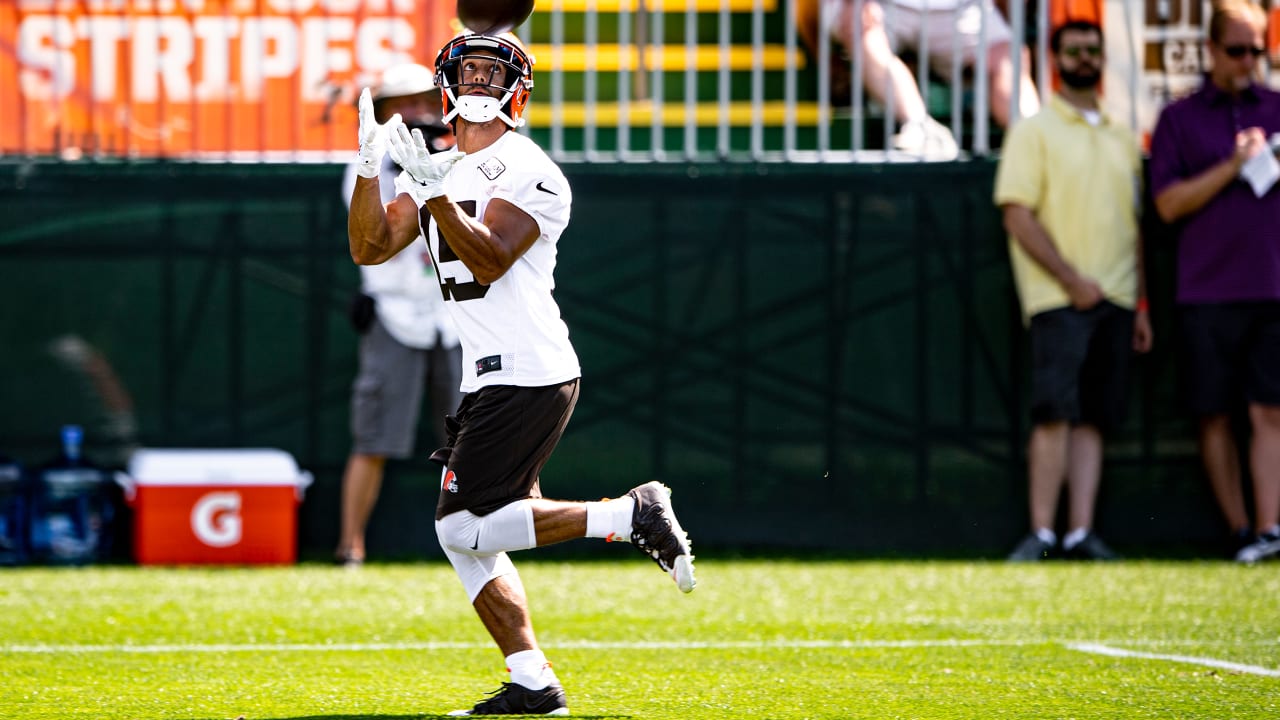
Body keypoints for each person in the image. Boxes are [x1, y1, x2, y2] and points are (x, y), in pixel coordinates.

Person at [347, 31, 697, 715]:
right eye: (468, 70)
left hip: (529, 371)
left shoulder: (530, 169)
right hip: (488, 375)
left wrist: (434, 195)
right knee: (466, 538)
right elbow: (369, 245)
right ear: (447, 86)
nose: (478, 81)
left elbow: (490, 257)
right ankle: (533, 681)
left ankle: (629, 514)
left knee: (465, 528)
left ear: (518, 92)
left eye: (491, 71)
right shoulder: (438, 165)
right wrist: (369, 167)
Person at [993, 19, 1153, 561]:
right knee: (1054, 413)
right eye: (1074, 49)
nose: (1084, 57)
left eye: (1092, 49)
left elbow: (1133, 227)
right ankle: (1041, 532)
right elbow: (1017, 213)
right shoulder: (1033, 130)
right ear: (1054, 57)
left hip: (1118, 299)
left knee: (1096, 418)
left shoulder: (1122, 134)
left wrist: (1140, 304)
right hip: (1057, 301)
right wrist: (1070, 279)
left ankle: (1080, 532)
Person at [1148, 0, 1280, 563]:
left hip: (1272, 287)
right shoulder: (1178, 118)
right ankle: (1239, 531)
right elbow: (1169, 205)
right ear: (1210, 50)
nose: (1248, 61)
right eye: (1236, 50)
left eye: (1257, 50)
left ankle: (1271, 530)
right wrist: (1231, 165)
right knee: (1214, 413)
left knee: (1269, 409)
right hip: (1204, 290)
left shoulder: (1278, 107)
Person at [335, 63, 464, 568]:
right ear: (384, 113)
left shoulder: (457, 153)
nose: (415, 110)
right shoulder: (368, 163)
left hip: (455, 317)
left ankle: (482, 538)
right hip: (394, 315)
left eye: (422, 100)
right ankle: (351, 546)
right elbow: (374, 242)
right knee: (374, 439)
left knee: (470, 443)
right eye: (402, 103)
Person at [800, 0, 1040, 159]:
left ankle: (1034, 142)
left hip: (962, 8)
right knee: (860, 27)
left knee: (1007, 54)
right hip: (881, 6)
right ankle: (919, 127)